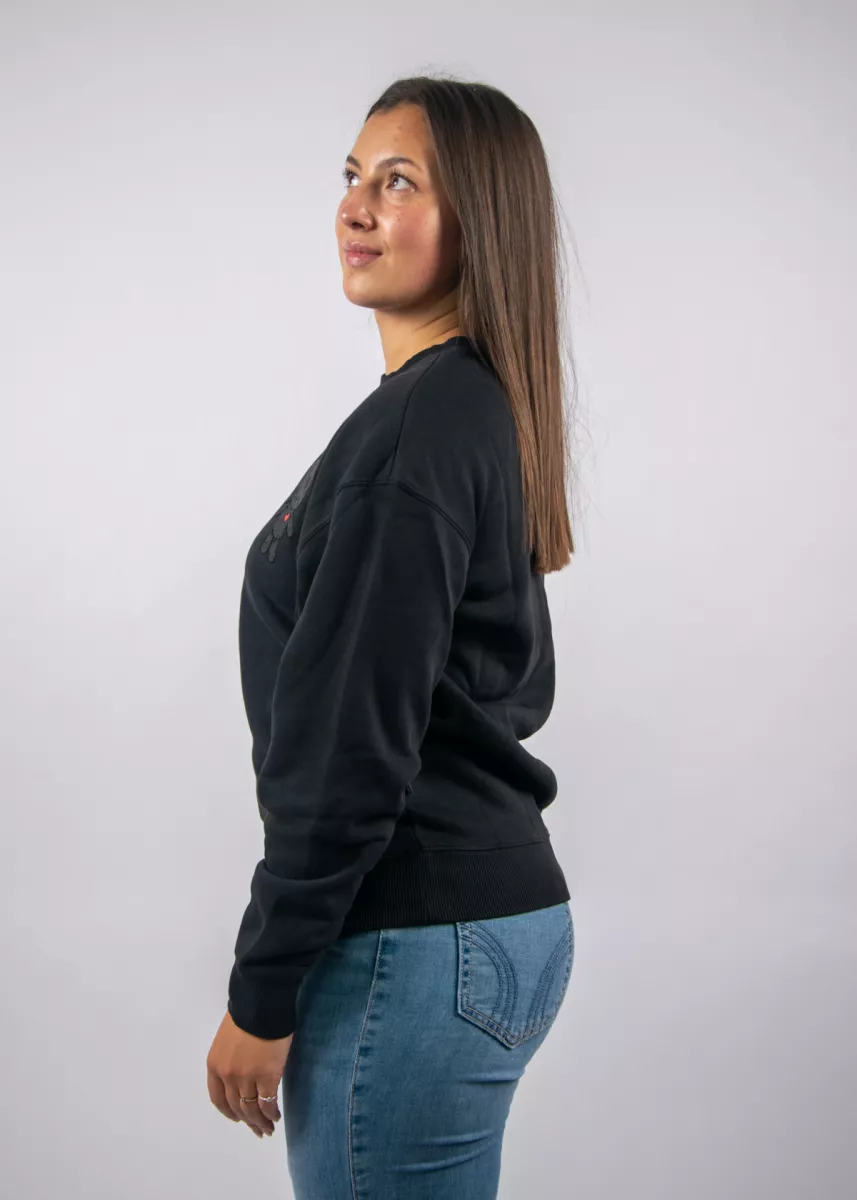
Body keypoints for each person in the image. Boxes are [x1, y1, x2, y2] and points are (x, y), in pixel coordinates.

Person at [207, 74, 579, 1198]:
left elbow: (350, 745)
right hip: (488, 922)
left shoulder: (419, 427)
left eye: (400, 182)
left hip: (414, 942)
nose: (356, 207)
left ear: (478, 218)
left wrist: (261, 989)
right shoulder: (464, 407)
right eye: (353, 176)